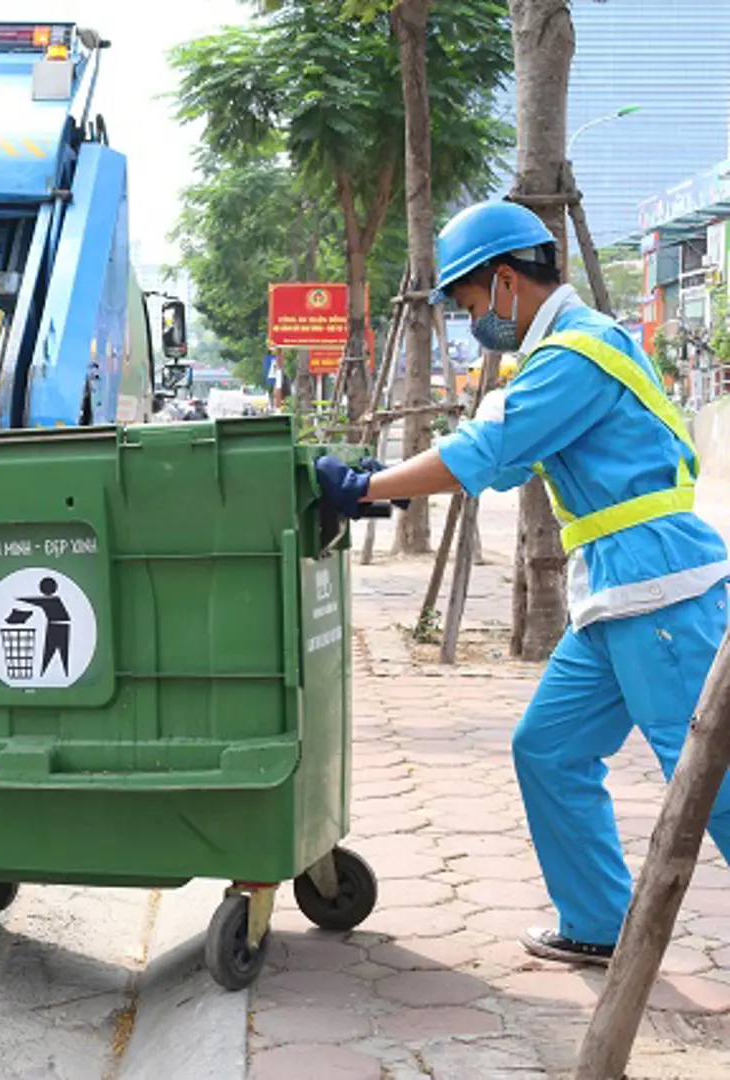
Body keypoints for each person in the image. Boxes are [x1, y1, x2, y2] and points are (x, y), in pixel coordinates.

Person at [315, 201, 730, 966]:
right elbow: (498, 461)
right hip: (610, 594)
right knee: (547, 747)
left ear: (505, 283)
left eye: (472, 305)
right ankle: (599, 924)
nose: (474, 323)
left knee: (709, 776)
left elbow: (492, 445)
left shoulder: (577, 351)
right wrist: (388, 484)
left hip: (658, 587)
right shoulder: (551, 354)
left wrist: (362, 488)